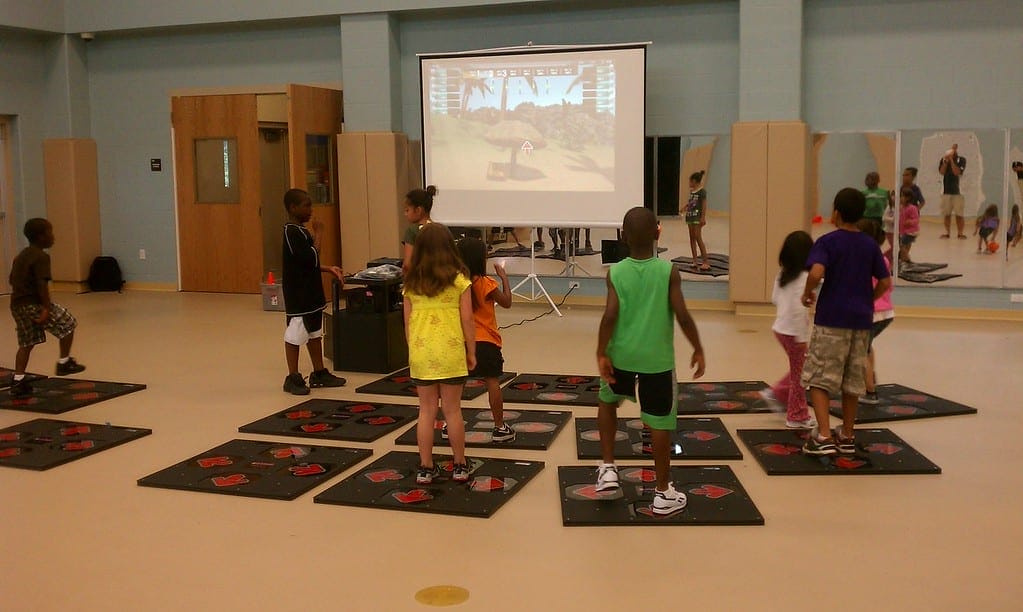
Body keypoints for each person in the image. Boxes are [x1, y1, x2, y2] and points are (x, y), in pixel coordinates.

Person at [594, 207, 706, 516]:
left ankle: (608, 470)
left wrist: (601, 352)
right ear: (658, 233)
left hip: (620, 356)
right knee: (658, 422)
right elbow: (682, 314)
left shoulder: (615, 272)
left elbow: (610, 316)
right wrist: (697, 347)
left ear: (622, 237)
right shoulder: (668, 271)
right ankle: (662, 492)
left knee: (607, 403)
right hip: (657, 362)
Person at [800, 188, 891, 455]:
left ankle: (824, 436)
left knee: (819, 377)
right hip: (861, 322)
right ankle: (848, 435)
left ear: (836, 212)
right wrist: (869, 300)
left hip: (831, 320)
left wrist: (808, 292)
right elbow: (885, 282)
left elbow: (816, 271)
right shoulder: (869, 245)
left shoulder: (827, 242)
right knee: (853, 379)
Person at [403, 223, 476, 484]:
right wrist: (472, 350)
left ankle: (425, 467)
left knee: (426, 411)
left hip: (422, 354)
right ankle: (459, 465)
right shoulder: (459, 281)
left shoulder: (411, 283)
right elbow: (467, 319)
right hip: (451, 352)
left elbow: (407, 323)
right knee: (453, 411)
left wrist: (414, 351)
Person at [8, 218, 86, 396]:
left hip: (17, 305)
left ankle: (18, 380)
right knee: (68, 323)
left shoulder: (20, 256)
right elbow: (42, 284)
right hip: (33, 304)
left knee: (26, 343)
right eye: (50, 232)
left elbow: (12, 279)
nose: (53, 237)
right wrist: (46, 308)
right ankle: (64, 362)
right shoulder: (41, 257)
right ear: (41, 236)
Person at [281, 189, 346, 395]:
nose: (310, 210)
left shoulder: (301, 231)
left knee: (314, 332)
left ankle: (319, 372)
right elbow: (310, 256)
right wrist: (319, 233)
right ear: (293, 208)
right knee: (295, 334)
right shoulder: (291, 232)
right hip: (298, 294)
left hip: (311, 292)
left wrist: (328, 269)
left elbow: (311, 263)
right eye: (306, 205)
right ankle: (292, 376)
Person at [456, 237, 515, 443]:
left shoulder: (456, 284)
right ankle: (500, 427)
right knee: (492, 382)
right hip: (486, 342)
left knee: (456, 384)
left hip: (462, 341)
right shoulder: (487, 283)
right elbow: (507, 302)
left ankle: (449, 425)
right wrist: (504, 278)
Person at [761, 230, 816, 429]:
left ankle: (777, 393)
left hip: (780, 329)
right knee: (800, 376)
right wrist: (801, 337)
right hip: (794, 333)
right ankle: (797, 415)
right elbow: (798, 310)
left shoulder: (783, 274)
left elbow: (775, 299)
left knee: (799, 369)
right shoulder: (805, 278)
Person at [855, 219, 894, 405]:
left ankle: (869, 391)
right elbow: (888, 286)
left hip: (872, 313)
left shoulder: (865, 258)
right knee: (867, 346)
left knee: (860, 351)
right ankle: (871, 380)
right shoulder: (882, 258)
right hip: (886, 313)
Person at [402, 185, 438, 273]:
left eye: (407, 210)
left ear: (418, 210)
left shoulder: (412, 231)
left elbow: (407, 264)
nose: (405, 214)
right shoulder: (440, 230)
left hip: (420, 281)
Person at [938, 144, 967, 239]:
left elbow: (957, 172)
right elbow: (942, 172)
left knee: (959, 214)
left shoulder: (961, 160)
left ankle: (960, 233)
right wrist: (946, 161)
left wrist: (951, 161)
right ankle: (947, 233)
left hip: (958, 192)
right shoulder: (943, 160)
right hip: (946, 191)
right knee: (947, 214)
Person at [684, 170, 710, 271]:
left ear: (694, 181)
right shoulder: (692, 191)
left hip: (697, 218)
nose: (689, 184)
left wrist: (703, 217)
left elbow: (704, 205)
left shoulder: (702, 192)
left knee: (698, 238)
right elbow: (691, 203)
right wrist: (684, 208)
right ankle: (695, 260)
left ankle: (705, 261)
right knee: (692, 239)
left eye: (690, 182)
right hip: (690, 217)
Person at [898, 187, 921, 263]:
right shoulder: (902, 207)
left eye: (902, 196)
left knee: (902, 245)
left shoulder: (912, 208)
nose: (901, 198)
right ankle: (904, 258)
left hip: (910, 232)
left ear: (908, 198)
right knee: (906, 245)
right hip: (904, 231)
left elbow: (916, 219)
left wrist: (910, 222)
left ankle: (907, 259)